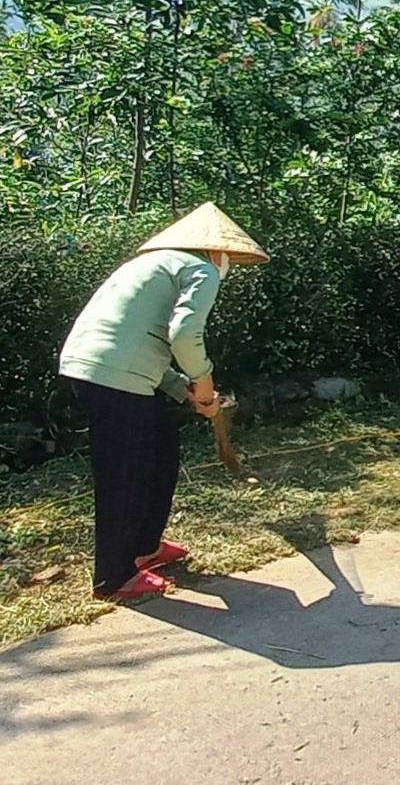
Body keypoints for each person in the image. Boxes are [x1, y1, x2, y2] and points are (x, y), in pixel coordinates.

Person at [58, 203, 269, 600]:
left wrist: (188, 393)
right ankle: (114, 577)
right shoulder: (201, 270)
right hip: (113, 375)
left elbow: (142, 345)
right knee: (126, 473)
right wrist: (203, 385)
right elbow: (185, 335)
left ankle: (144, 547)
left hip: (101, 366)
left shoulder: (157, 265)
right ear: (218, 252)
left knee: (161, 448)